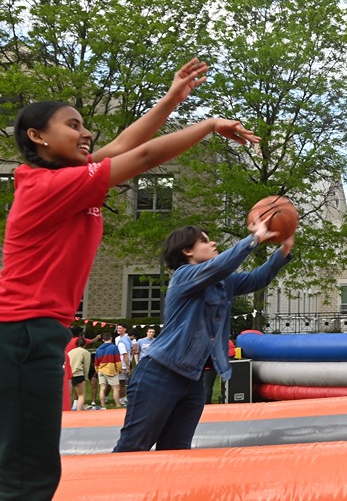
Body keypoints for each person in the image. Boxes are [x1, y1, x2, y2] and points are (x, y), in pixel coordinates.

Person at [0, 58, 259, 501]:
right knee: (28, 470)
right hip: (25, 331)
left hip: (36, 330)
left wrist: (172, 99)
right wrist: (209, 125)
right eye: (73, 125)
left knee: (31, 461)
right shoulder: (49, 185)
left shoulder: (66, 177)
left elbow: (124, 142)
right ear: (37, 137)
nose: (87, 134)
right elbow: (142, 155)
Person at [113, 220, 292, 452]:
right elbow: (221, 265)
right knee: (133, 447)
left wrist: (284, 250)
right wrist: (254, 238)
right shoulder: (184, 276)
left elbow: (257, 278)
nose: (214, 243)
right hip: (158, 374)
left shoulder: (222, 283)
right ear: (187, 251)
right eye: (205, 241)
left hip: (192, 379)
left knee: (176, 450)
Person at [93, 332, 123, 410]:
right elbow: (118, 360)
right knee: (116, 388)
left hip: (100, 370)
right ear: (111, 338)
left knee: (102, 388)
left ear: (103, 340)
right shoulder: (114, 347)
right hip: (110, 369)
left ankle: (103, 405)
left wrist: (97, 370)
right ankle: (118, 405)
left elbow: (96, 361)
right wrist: (120, 369)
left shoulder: (99, 349)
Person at [66, 338, 92, 412]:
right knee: (81, 394)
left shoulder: (70, 352)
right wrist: (86, 377)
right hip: (78, 374)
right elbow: (86, 366)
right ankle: (79, 411)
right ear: (85, 344)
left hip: (69, 374)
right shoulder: (85, 352)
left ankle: (68, 410)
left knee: (69, 394)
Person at [115, 324, 133, 405]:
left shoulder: (125, 340)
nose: (118, 329)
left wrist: (128, 366)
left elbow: (127, 353)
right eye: (117, 328)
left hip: (124, 363)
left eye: (120, 328)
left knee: (122, 382)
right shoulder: (117, 339)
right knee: (121, 382)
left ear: (125, 329)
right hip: (121, 363)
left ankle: (123, 398)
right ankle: (122, 398)